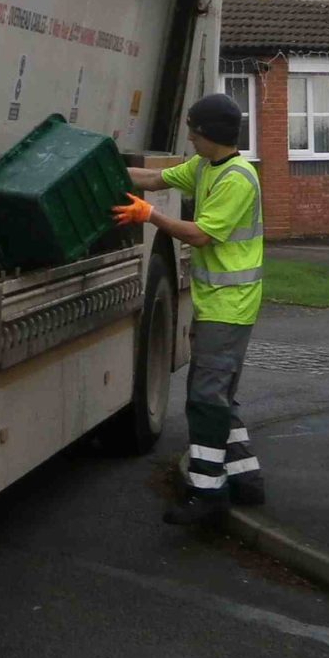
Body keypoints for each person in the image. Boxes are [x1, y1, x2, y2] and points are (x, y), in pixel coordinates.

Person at [113, 92, 265, 524]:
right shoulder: (206, 166)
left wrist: (150, 217)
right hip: (219, 304)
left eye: (194, 131)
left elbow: (200, 235)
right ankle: (245, 478)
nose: (190, 137)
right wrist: (107, 169)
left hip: (229, 306)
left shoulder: (237, 178)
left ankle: (206, 492)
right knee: (218, 394)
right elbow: (154, 180)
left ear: (209, 134)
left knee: (205, 398)